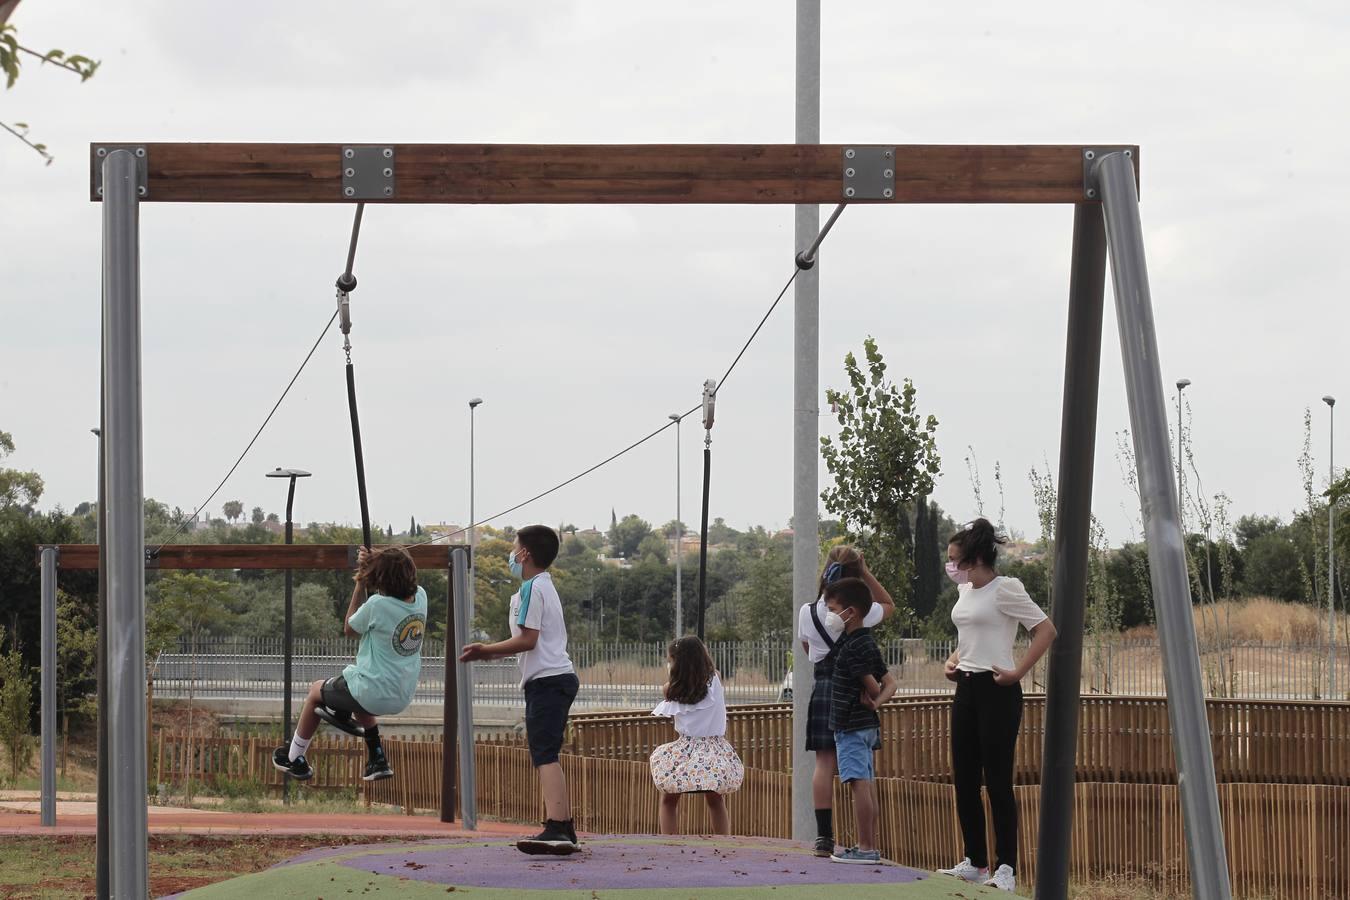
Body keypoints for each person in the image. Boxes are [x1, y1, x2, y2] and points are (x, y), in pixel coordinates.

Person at [937, 519, 1057, 893]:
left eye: (955, 560)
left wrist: (1018, 671)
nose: (951, 566)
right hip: (966, 688)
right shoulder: (965, 592)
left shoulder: (1006, 589)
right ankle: (974, 861)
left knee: (998, 783)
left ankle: (1006, 867)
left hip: (997, 689)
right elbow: (971, 633)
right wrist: (953, 660)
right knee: (965, 779)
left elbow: (1046, 630)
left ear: (974, 558)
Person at [459, 525, 580, 855]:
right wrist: (490, 652)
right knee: (545, 751)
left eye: (514, 547)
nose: (511, 553)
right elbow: (526, 644)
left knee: (545, 753)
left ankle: (557, 827)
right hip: (551, 678)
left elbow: (529, 639)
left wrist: (485, 649)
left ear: (525, 554)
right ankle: (563, 826)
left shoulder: (532, 589)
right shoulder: (539, 587)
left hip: (548, 680)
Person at [273, 545, 427, 783]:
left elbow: (349, 628)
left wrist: (360, 581)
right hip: (402, 693)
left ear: (380, 578)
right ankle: (377, 757)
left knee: (316, 691)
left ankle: (295, 758)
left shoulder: (377, 605)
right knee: (359, 690)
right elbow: (395, 563)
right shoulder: (421, 597)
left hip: (372, 690)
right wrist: (375, 560)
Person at [796, 546, 895, 857]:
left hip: (825, 686)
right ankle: (867, 842)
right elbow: (889, 603)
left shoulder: (808, 611)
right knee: (861, 775)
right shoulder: (860, 612)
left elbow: (807, 650)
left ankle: (824, 837)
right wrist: (865, 571)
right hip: (856, 692)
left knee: (824, 763)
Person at [823, 576, 897, 864]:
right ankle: (868, 845)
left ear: (849, 612)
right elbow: (891, 684)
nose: (830, 615)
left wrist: (873, 695)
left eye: (832, 608)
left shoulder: (853, 647)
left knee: (859, 786)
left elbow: (875, 685)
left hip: (851, 726)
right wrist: (876, 703)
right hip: (865, 725)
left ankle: (865, 848)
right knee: (866, 784)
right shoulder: (866, 640)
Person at [649, 636, 745, 835]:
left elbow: (672, 688)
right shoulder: (715, 678)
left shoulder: (671, 689)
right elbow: (707, 675)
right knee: (715, 799)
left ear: (678, 662)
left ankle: (670, 841)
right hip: (713, 751)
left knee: (668, 798)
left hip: (686, 750)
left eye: (671, 660)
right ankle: (723, 840)